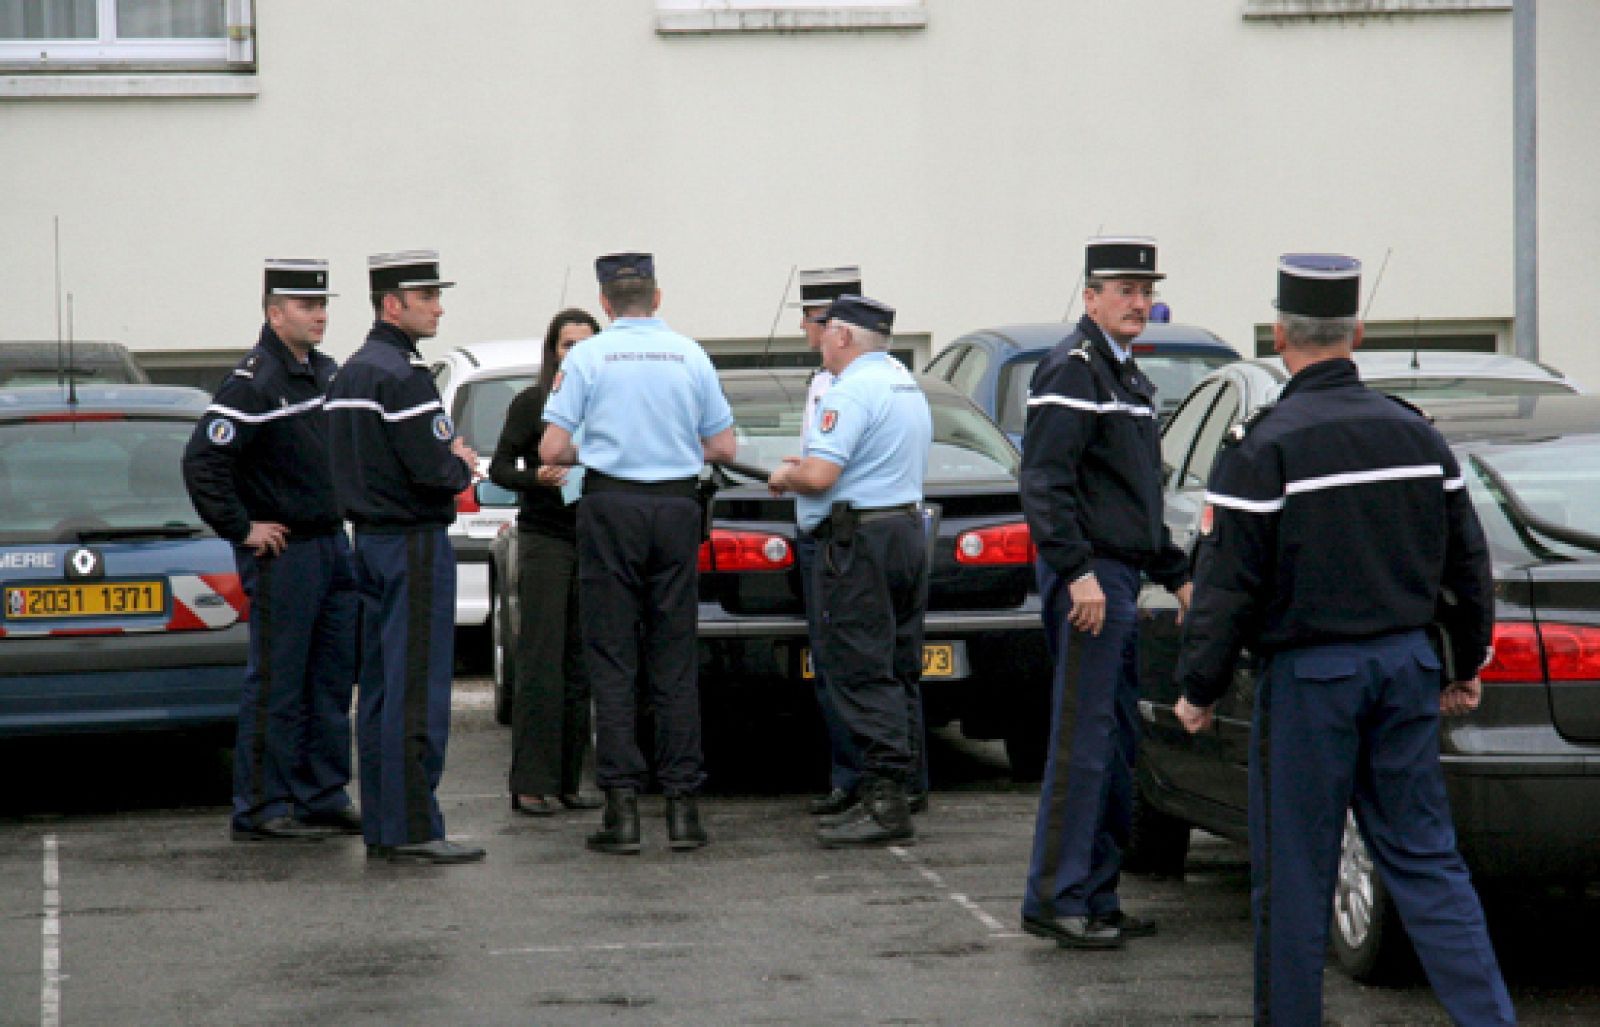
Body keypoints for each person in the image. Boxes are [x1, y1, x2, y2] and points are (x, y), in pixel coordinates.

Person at [1173, 254, 1514, 1025]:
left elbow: (1228, 584)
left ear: (1280, 333)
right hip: (1405, 670)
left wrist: (1198, 687)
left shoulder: (1263, 446)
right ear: (1357, 332)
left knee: (1296, 877)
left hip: (1311, 682)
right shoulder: (1416, 435)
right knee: (1427, 862)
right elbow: (1468, 561)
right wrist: (1466, 661)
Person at [1017, 236, 1192, 949]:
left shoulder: (1122, 375)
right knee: (1082, 741)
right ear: (1090, 297)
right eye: (1124, 289)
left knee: (1116, 740)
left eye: (1146, 289)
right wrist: (1075, 568)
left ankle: (1095, 893)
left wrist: (1175, 570)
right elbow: (1046, 482)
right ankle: (1055, 899)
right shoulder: (1074, 368)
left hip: (1122, 573)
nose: (1138, 302)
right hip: (1090, 580)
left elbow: (1132, 497)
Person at [540, 252, 736, 855]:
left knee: (613, 658)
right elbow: (722, 446)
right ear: (657, 298)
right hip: (676, 511)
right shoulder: (690, 353)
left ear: (604, 304)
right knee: (674, 659)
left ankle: (621, 811)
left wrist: (589, 448)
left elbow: (552, 443)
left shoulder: (589, 357)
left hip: (610, 509)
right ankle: (684, 811)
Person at [182, 258, 360, 843]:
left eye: (323, 305)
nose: (320, 315)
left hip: (332, 545)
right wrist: (241, 527)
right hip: (287, 553)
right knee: (279, 682)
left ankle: (321, 796)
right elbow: (204, 461)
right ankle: (261, 806)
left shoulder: (325, 372)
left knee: (331, 681)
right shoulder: (254, 381)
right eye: (308, 307)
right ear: (274, 312)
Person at [325, 249, 485, 866]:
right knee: (416, 690)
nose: (439, 307)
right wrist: (462, 465)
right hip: (413, 544)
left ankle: (386, 825)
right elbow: (434, 469)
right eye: (427, 297)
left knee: (384, 692)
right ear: (393, 305)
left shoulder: (350, 375)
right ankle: (417, 825)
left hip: (368, 541)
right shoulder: (402, 376)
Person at [768, 294, 932, 848]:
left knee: (861, 668)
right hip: (903, 531)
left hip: (859, 542)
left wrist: (787, 477)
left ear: (842, 336)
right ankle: (895, 789)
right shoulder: (902, 380)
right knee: (894, 663)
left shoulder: (851, 389)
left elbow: (820, 475)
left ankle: (884, 803)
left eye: (824, 332)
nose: (818, 342)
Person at [488, 308, 603, 817]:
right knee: (540, 661)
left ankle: (568, 782)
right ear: (552, 351)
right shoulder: (533, 402)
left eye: (584, 344)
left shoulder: (609, 402)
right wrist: (536, 476)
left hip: (594, 541)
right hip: (544, 540)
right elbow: (499, 468)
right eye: (566, 345)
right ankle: (530, 784)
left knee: (581, 666)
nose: (574, 353)